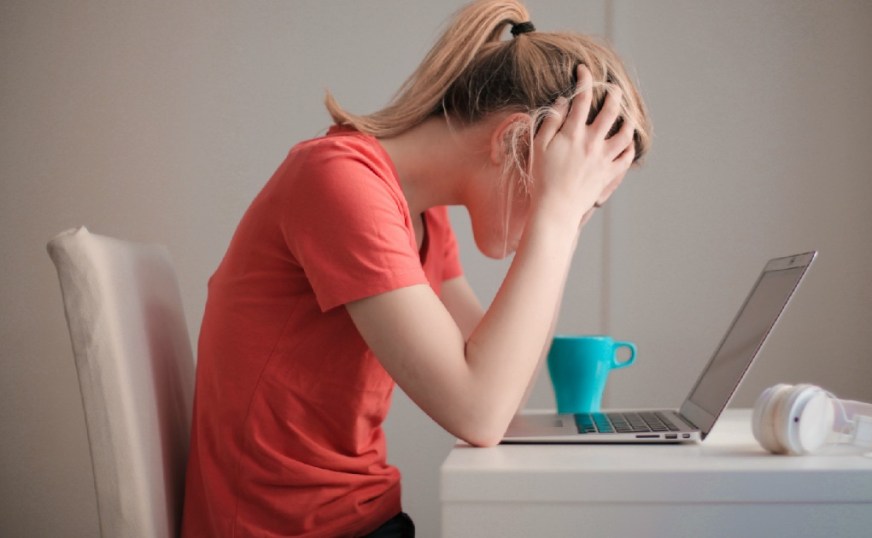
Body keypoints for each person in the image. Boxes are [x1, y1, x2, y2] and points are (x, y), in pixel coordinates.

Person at [181, 0, 651, 536]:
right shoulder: (339, 183)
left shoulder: (422, 218)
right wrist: (557, 218)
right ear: (511, 141)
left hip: (363, 520)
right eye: (576, 190)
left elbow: (505, 385)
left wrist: (561, 222)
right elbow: (479, 412)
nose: (574, 212)